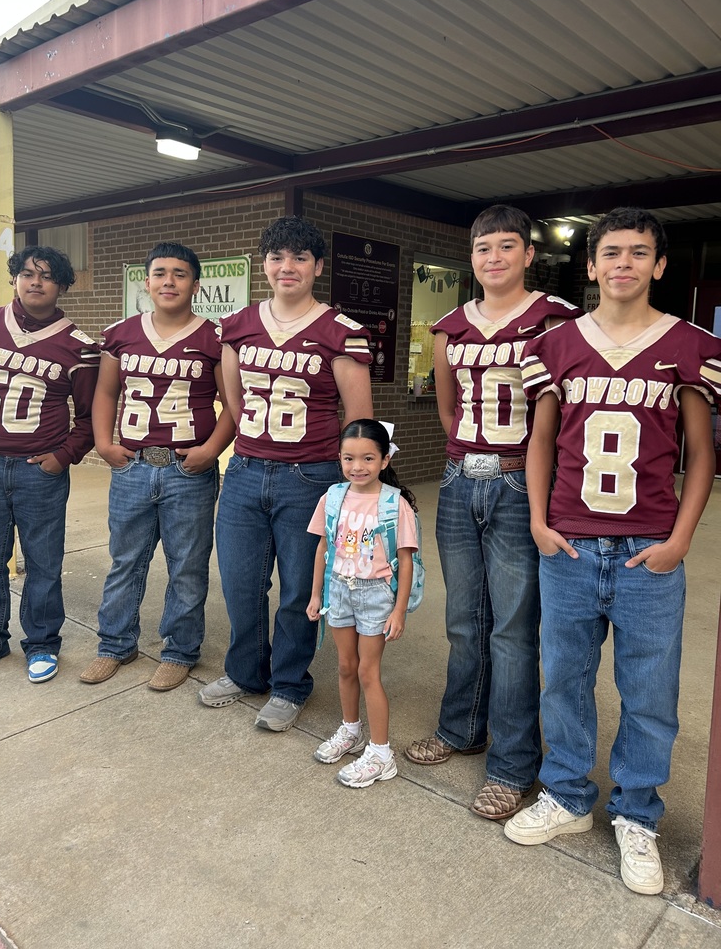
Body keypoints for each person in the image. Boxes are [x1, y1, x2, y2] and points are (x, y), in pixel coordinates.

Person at [506, 207, 721, 896]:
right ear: (592, 265)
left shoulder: (688, 345)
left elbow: (702, 453)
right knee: (563, 679)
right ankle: (567, 797)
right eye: (611, 253)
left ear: (660, 266)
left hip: (646, 548)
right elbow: (540, 440)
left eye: (639, 252)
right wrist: (539, 522)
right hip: (568, 542)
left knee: (649, 692)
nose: (623, 263)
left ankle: (637, 815)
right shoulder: (558, 345)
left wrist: (680, 540)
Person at [404, 204, 581, 820]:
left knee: (512, 628)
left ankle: (513, 763)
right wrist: (464, 454)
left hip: (516, 484)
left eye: (508, 247)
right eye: (484, 249)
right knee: (462, 618)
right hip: (460, 480)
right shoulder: (450, 327)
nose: (495, 258)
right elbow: (448, 409)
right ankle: (461, 728)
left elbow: (564, 413)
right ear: (471, 256)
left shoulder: (558, 322)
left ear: (530, 255)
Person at [199, 216, 373, 730]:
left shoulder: (340, 332)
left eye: (299, 257)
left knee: (300, 589)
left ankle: (289, 682)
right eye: (277, 257)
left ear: (318, 266)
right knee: (239, 582)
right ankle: (245, 671)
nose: (287, 267)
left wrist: (356, 489)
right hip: (248, 469)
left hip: (311, 475)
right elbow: (234, 400)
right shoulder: (238, 325)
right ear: (264, 264)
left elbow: (358, 421)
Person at [80, 241, 235, 692]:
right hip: (132, 466)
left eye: (180, 273)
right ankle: (114, 644)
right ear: (145, 282)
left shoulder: (215, 338)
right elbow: (106, 393)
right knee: (125, 559)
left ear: (196, 285)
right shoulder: (122, 333)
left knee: (187, 564)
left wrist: (211, 450)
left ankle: (180, 650)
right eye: (160, 273)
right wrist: (104, 444)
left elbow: (233, 403)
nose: (169, 281)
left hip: (188, 469)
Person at [0, 246, 100, 683]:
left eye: (48, 276)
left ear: (61, 286)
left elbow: (92, 416)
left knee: (43, 562)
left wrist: (63, 456)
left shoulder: (78, 346)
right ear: (15, 278)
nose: (36, 282)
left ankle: (41, 643)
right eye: (28, 273)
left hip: (40, 472)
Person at [306, 419, 417, 787]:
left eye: (368, 458)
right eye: (349, 458)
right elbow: (323, 548)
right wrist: (316, 594)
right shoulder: (333, 497)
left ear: (385, 460)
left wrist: (399, 610)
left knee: (369, 672)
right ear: (339, 459)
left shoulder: (395, 503)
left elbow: (406, 560)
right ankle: (350, 730)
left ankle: (381, 753)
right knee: (344, 666)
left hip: (375, 596)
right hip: (339, 591)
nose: (358, 466)